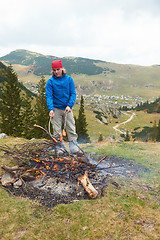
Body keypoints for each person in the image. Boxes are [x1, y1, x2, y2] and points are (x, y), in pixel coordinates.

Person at [45, 60, 79, 155]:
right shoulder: (50, 82)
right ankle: (60, 149)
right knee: (56, 131)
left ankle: (74, 148)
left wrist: (69, 105)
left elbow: (73, 93)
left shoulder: (69, 79)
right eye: (54, 70)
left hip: (67, 109)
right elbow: (49, 96)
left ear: (62, 69)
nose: (56, 72)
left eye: (58, 69)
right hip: (56, 109)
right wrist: (51, 109)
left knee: (71, 129)